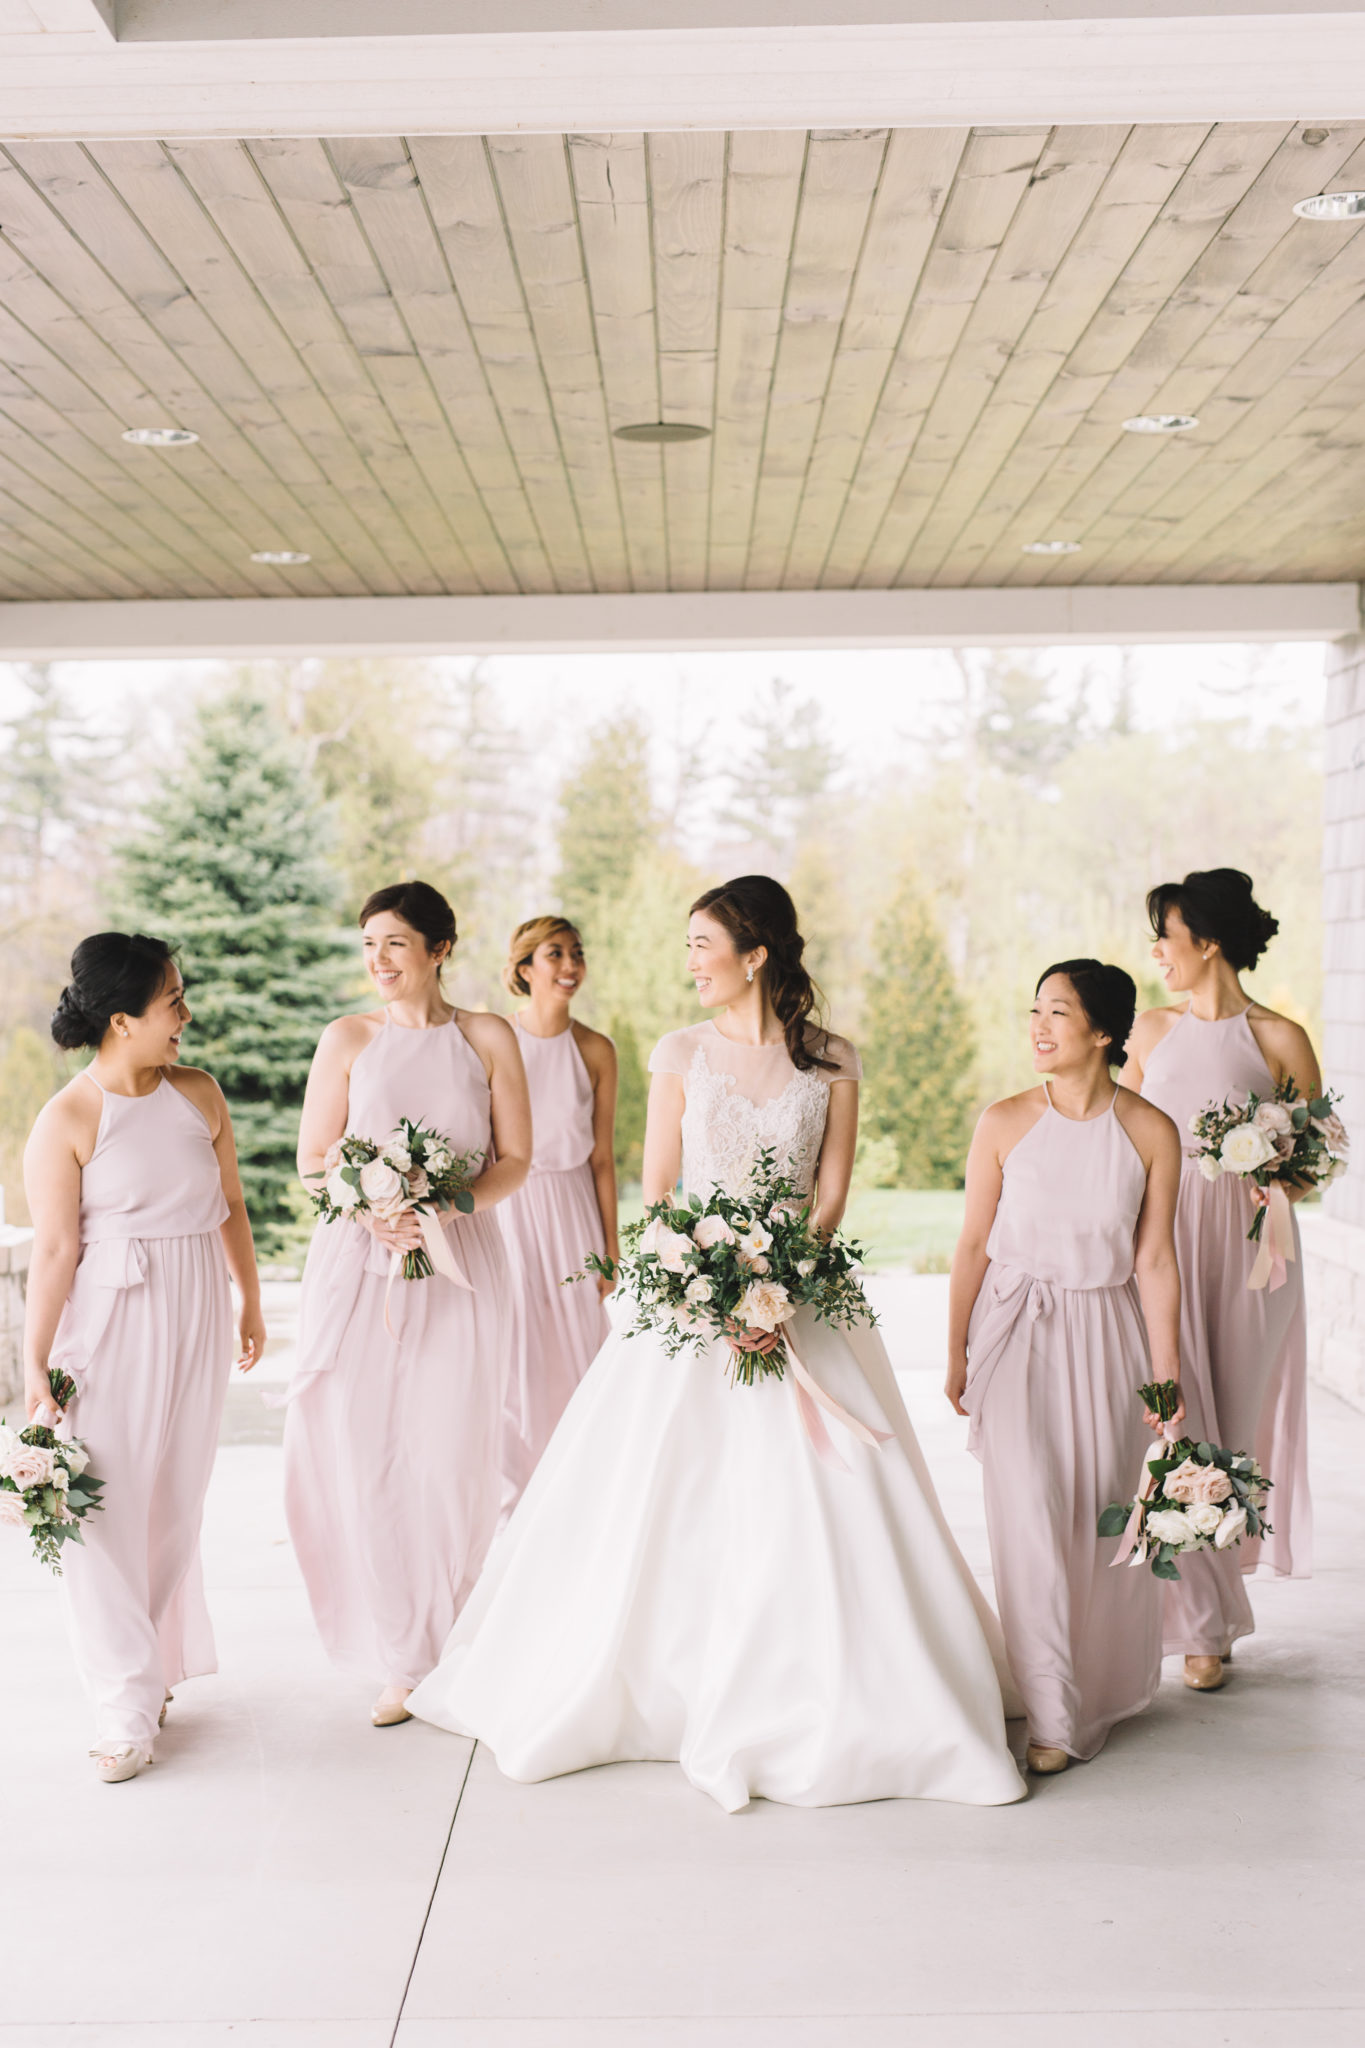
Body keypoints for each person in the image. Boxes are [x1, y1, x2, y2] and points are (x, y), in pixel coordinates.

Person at [407, 876, 1025, 1813]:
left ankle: (841, 1685)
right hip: (690, 1297)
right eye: (688, 944)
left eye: (704, 943)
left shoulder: (833, 1058)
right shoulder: (679, 1051)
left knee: (835, 1493)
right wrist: (713, 1281)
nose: (690, 961)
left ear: (756, 954)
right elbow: (660, 1186)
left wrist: (781, 1285)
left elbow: (830, 1192)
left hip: (801, 1300)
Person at [283, 881, 531, 1728]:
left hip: (461, 1264)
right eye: (368, 945)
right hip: (360, 1266)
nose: (378, 961)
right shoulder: (347, 1038)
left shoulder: (487, 1036)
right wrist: (373, 1210)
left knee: (448, 1451)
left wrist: (443, 1208)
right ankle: (399, 1654)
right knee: (368, 1450)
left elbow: (516, 1159)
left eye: (394, 943)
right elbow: (313, 1160)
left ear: (439, 949)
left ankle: (450, 1639)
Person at [22, 933, 263, 1785]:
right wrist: (34, 1369)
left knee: (172, 1506)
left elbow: (230, 1203)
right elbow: (56, 1252)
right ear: (122, 1020)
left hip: (195, 1310)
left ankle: (148, 1671)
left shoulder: (198, 1093)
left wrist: (249, 1300)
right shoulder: (69, 1117)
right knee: (101, 1513)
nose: (185, 1015)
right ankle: (121, 1708)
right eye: (173, 1002)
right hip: (111, 1320)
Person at [948, 961, 1183, 1774]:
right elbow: (971, 1244)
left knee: (1095, 1520)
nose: (1038, 1027)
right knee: (1028, 1520)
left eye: (1057, 1012)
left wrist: (1166, 1377)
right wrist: (956, 1347)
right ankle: (1050, 1717)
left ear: (1103, 1032)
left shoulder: (1150, 1131)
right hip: (1015, 1330)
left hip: (1108, 1337)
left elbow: (1155, 1261)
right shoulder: (1003, 1122)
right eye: (1034, 1010)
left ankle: (1096, 1686)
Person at [1121, 867, 1319, 1689]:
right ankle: (1187, 1618)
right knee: (1170, 1419)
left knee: (1226, 1427)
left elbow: (1313, 1166)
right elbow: (1119, 1139)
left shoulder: (1279, 1037)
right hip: (1161, 1243)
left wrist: (1267, 1165)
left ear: (1205, 942)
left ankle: (1209, 1619)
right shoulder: (1148, 1031)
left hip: (1248, 1256)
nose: (1155, 952)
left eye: (1164, 937)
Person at [497, 916, 617, 1518]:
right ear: (525, 967)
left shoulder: (595, 1049)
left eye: (577, 953)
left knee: (579, 1349)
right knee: (515, 1351)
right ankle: (515, 1502)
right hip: (509, 1209)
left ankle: (583, 1494)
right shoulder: (496, 1039)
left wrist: (611, 1250)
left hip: (573, 1211)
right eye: (554, 954)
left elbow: (603, 1158)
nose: (570, 966)